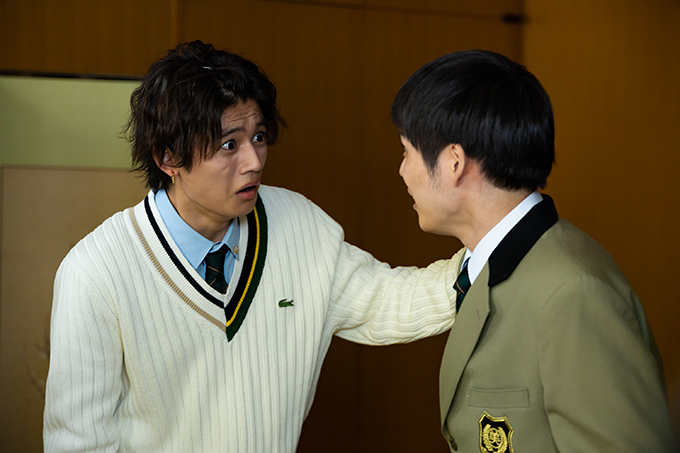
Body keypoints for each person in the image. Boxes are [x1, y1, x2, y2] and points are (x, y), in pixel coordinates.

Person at [43, 41, 464, 452]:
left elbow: (391, 302)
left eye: (259, 137)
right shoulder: (95, 272)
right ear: (167, 157)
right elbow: (79, 441)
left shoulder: (298, 223)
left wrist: (491, 248)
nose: (254, 161)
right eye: (229, 144)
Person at [391, 50, 678, 452]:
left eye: (407, 151)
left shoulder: (572, 293)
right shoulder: (493, 265)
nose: (402, 170)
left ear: (454, 161)